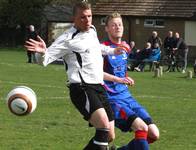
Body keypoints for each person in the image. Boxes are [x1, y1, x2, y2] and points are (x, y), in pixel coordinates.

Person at [25, 2, 128, 150]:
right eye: (83, 17)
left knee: (110, 135)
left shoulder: (92, 30)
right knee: (103, 127)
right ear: (74, 19)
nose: (87, 20)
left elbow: (96, 47)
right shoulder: (67, 38)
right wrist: (41, 53)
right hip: (82, 88)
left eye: (89, 16)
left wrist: (112, 51)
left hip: (99, 87)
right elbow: (44, 60)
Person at [102, 12, 159, 150]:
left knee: (154, 134)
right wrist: (119, 80)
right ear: (107, 29)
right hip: (112, 99)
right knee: (141, 128)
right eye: (113, 25)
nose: (118, 27)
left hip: (127, 97)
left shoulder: (125, 47)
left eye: (120, 24)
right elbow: (96, 74)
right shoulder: (102, 48)